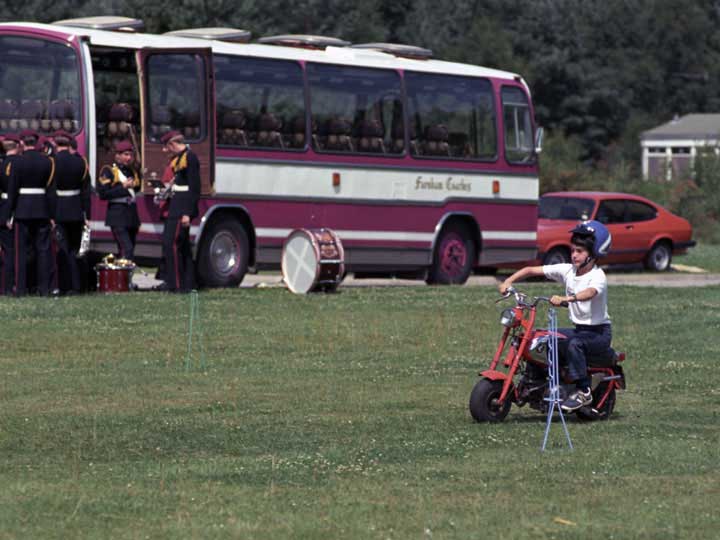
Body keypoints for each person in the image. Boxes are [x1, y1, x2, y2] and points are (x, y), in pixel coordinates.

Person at [498, 220, 612, 412]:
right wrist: (507, 281)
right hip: (580, 330)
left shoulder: (597, 276)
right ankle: (538, 383)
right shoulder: (568, 270)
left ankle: (584, 391)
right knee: (541, 338)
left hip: (599, 334)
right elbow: (530, 270)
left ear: (593, 254)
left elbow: (590, 293)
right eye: (573, 250)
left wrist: (567, 298)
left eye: (580, 251)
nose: (574, 255)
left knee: (573, 344)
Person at [7, 129, 56, 296]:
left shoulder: (17, 163)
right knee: (43, 251)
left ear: (22, 143)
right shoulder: (48, 162)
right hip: (42, 209)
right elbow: (51, 191)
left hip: (22, 210)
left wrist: (9, 213)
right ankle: (44, 288)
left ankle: (20, 288)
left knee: (21, 252)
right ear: (36, 143)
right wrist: (52, 215)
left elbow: (12, 190)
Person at [157, 130, 200, 292]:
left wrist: (187, 213)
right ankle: (187, 284)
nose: (166, 151)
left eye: (167, 147)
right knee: (183, 247)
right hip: (176, 204)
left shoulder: (190, 158)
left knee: (171, 244)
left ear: (173, 144)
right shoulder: (179, 159)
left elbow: (194, 188)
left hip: (181, 208)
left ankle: (175, 284)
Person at [49, 130, 90, 294]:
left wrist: (50, 214)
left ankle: (64, 285)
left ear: (55, 144)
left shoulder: (52, 162)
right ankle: (77, 285)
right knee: (75, 249)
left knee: (62, 249)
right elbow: (85, 192)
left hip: (59, 208)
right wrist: (87, 214)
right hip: (76, 209)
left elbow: (50, 190)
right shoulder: (81, 162)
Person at [97, 139, 141, 261]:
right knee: (126, 249)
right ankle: (123, 279)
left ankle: (127, 279)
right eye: (126, 154)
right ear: (118, 155)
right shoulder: (109, 170)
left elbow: (135, 190)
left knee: (130, 249)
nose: (129, 158)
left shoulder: (132, 171)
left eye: (131, 155)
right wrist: (123, 187)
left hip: (131, 215)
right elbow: (103, 194)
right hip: (118, 214)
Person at [0, 133, 22, 294]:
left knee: (7, 251)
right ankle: (16, 285)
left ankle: (6, 286)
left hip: (3, 209)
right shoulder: (21, 163)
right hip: (18, 210)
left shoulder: (2, 164)